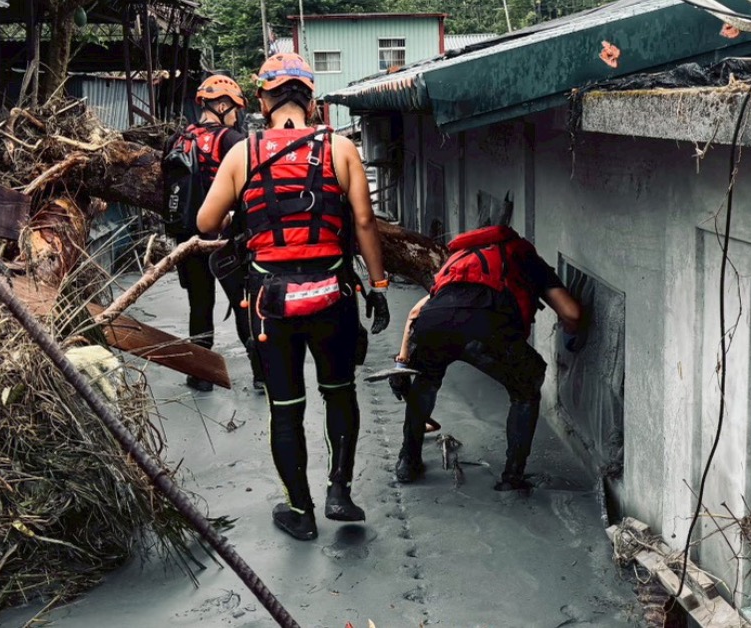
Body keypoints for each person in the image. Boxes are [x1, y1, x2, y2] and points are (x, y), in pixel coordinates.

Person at [196, 53, 390, 540]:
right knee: (339, 392)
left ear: (262, 99)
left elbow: (204, 223)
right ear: (311, 100)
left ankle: (300, 511)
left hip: (269, 300)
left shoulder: (242, 153)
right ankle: (340, 492)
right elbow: (365, 222)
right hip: (334, 293)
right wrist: (381, 287)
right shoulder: (339, 147)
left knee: (287, 406)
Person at [389, 224, 582, 492]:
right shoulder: (524, 256)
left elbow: (415, 313)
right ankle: (512, 478)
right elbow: (571, 313)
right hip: (487, 327)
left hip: (434, 323)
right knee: (526, 387)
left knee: (426, 381)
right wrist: (574, 336)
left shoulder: (460, 259)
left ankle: (407, 462)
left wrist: (402, 362)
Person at [163, 74, 263, 392]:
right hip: (224, 239)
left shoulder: (177, 140)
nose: (236, 116)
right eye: (234, 108)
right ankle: (262, 375)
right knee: (243, 304)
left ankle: (201, 375)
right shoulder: (230, 140)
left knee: (199, 305)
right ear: (221, 105)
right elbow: (251, 190)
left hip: (187, 241)